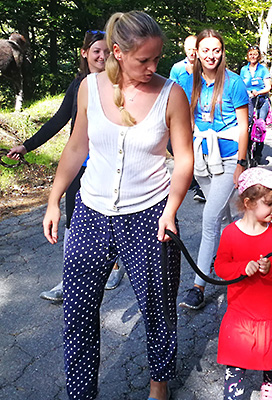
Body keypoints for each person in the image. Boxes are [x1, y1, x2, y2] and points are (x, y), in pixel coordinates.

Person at [42, 11, 193, 400]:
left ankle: (159, 384)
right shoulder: (89, 88)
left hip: (150, 216)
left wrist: (171, 210)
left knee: (158, 310)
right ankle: (81, 393)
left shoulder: (171, 94)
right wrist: (54, 199)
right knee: (76, 313)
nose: (153, 67)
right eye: (144, 59)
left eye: (157, 58)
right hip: (91, 214)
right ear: (118, 52)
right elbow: (77, 147)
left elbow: (185, 159)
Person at [6, 30, 126, 302]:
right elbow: (58, 120)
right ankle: (68, 281)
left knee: (111, 218)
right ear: (84, 54)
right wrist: (26, 145)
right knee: (74, 221)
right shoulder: (78, 86)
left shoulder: (120, 84)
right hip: (80, 164)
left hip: (109, 166)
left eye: (107, 51)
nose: (102, 56)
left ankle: (115, 266)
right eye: (96, 51)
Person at [214, 167, 272, 400]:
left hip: (270, 310)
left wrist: (271, 268)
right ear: (249, 202)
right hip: (240, 312)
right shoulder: (231, 234)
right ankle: (233, 391)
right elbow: (220, 267)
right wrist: (242, 267)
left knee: (271, 353)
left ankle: (270, 384)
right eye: (269, 203)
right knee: (236, 357)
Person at [178, 29, 249, 310]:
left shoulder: (234, 83)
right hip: (201, 158)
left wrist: (242, 163)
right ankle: (242, 263)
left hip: (229, 157)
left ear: (222, 52)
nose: (211, 55)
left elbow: (243, 126)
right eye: (205, 50)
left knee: (210, 219)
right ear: (196, 51)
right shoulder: (187, 80)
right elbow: (181, 118)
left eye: (216, 50)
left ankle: (198, 285)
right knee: (225, 217)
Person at [169, 34, 206, 202]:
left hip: (200, 112)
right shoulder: (177, 68)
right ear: (185, 49)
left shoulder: (204, 66)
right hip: (180, 112)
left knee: (197, 146)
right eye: (189, 49)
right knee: (176, 145)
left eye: (194, 49)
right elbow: (170, 89)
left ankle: (200, 185)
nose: (192, 53)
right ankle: (190, 179)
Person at [239, 45, 272, 165]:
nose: (253, 56)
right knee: (247, 126)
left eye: (255, 54)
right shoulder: (244, 70)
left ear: (259, 56)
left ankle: (258, 154)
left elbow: (268, 87)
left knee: (259, 126)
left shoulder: (263, 69)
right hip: (249, 100)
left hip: (261, 100)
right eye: (251, 54)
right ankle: (246, 151)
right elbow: (242, 85)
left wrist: (258, 92)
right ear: (248, 56)